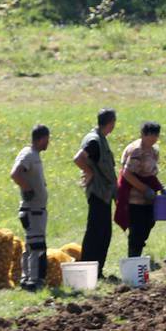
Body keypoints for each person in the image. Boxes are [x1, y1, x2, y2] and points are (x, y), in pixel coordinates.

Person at [72, 109, 118, 279]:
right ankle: (89, 271)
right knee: (96, 233)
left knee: (104, 232)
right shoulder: (94, 140)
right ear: (111, 122)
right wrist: (89, 172)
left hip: (104, 193)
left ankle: (97, 270)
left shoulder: (100, 138)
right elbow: (78, 158)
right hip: (98, 192)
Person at [10, 124, 51, 291]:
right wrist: (27, 189)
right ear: (41, 139)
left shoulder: (32, 155)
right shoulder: (29, 154)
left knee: (30, 245)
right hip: (33, 210)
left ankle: (26, 278)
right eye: (47, 140)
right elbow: (15, 173)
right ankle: (34, 281)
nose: (48, 143)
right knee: (36, 246)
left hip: (35, 210)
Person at [116, 121, 164, 261]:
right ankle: (133, 257)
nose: (153, 138)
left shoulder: (154, 150)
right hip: (134, 197)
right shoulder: (136, 150)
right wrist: (144, 189)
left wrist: (160, 187)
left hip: (148, 197)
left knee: (149, 222)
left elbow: (151, 173)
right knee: (137, 227)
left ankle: (138, 251)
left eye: (156, 135)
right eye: (150, 135)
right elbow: (127, 173)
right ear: (143, 135)